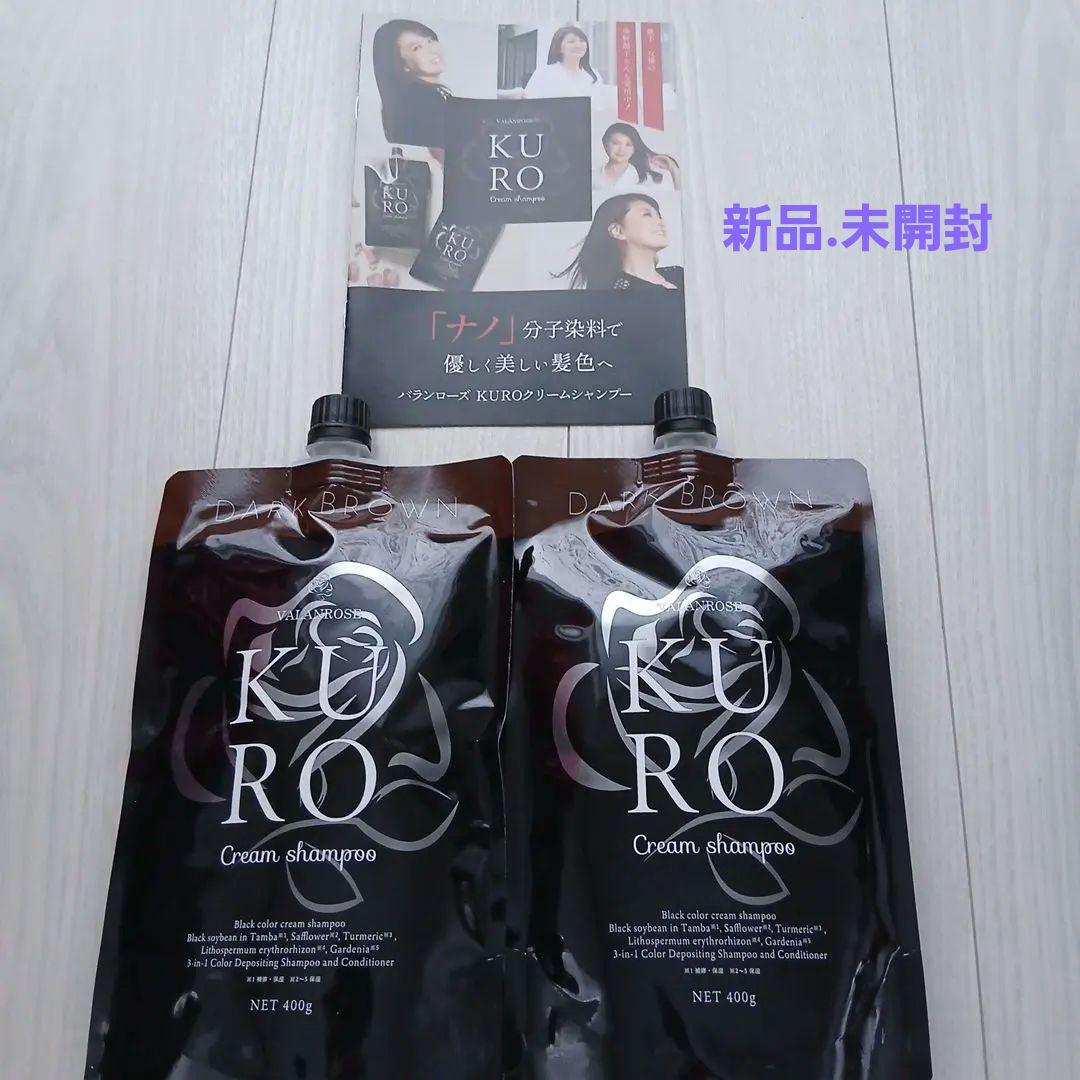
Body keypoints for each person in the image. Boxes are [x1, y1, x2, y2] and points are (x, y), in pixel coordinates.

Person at [558, 194, 683, 290]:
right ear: (617, 231)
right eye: (646, 214)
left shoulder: (679, 274)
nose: (661, 222)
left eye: (659, 216)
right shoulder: (616, 294)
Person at [372, 19, 452, 148]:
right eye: (417, 48)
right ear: (403, 64)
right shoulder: (425, 102)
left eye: (430, 40)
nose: (432, 50)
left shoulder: (416, 99)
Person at [595, 122, 682, 193]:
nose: (621, 149)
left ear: (634, 149)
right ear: (605, 144)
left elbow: (678, 199)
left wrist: (673, 168)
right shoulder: (593, 176)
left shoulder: (646, 179)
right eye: (615, 143)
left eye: (628, 145)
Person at [524, 26, 606, 100]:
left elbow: (601, 105)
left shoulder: (594, 76)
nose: (578, 45)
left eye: (582, 41)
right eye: (571, 42)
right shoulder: (543, 73)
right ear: (559, 48)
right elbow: (529, 103)